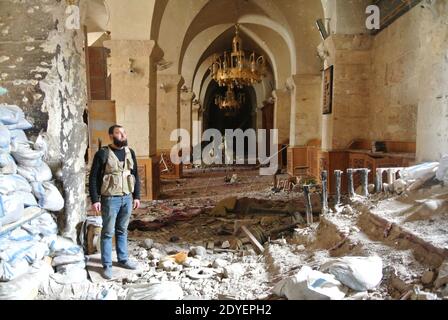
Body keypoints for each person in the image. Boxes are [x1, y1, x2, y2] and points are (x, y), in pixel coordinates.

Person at [89, 125, 141, 279]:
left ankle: (123, 259)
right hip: (110, 199)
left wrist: (137, 196)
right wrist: (95, 199)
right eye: (119, 133)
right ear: (111, 135)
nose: (123, 135)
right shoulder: (103, 154)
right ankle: (107, 265)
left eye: (124, 132)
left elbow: (135, 175)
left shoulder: (130, 152)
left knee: (122, 230)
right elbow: (93, 178)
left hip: (127, 198)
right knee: (107, 232)